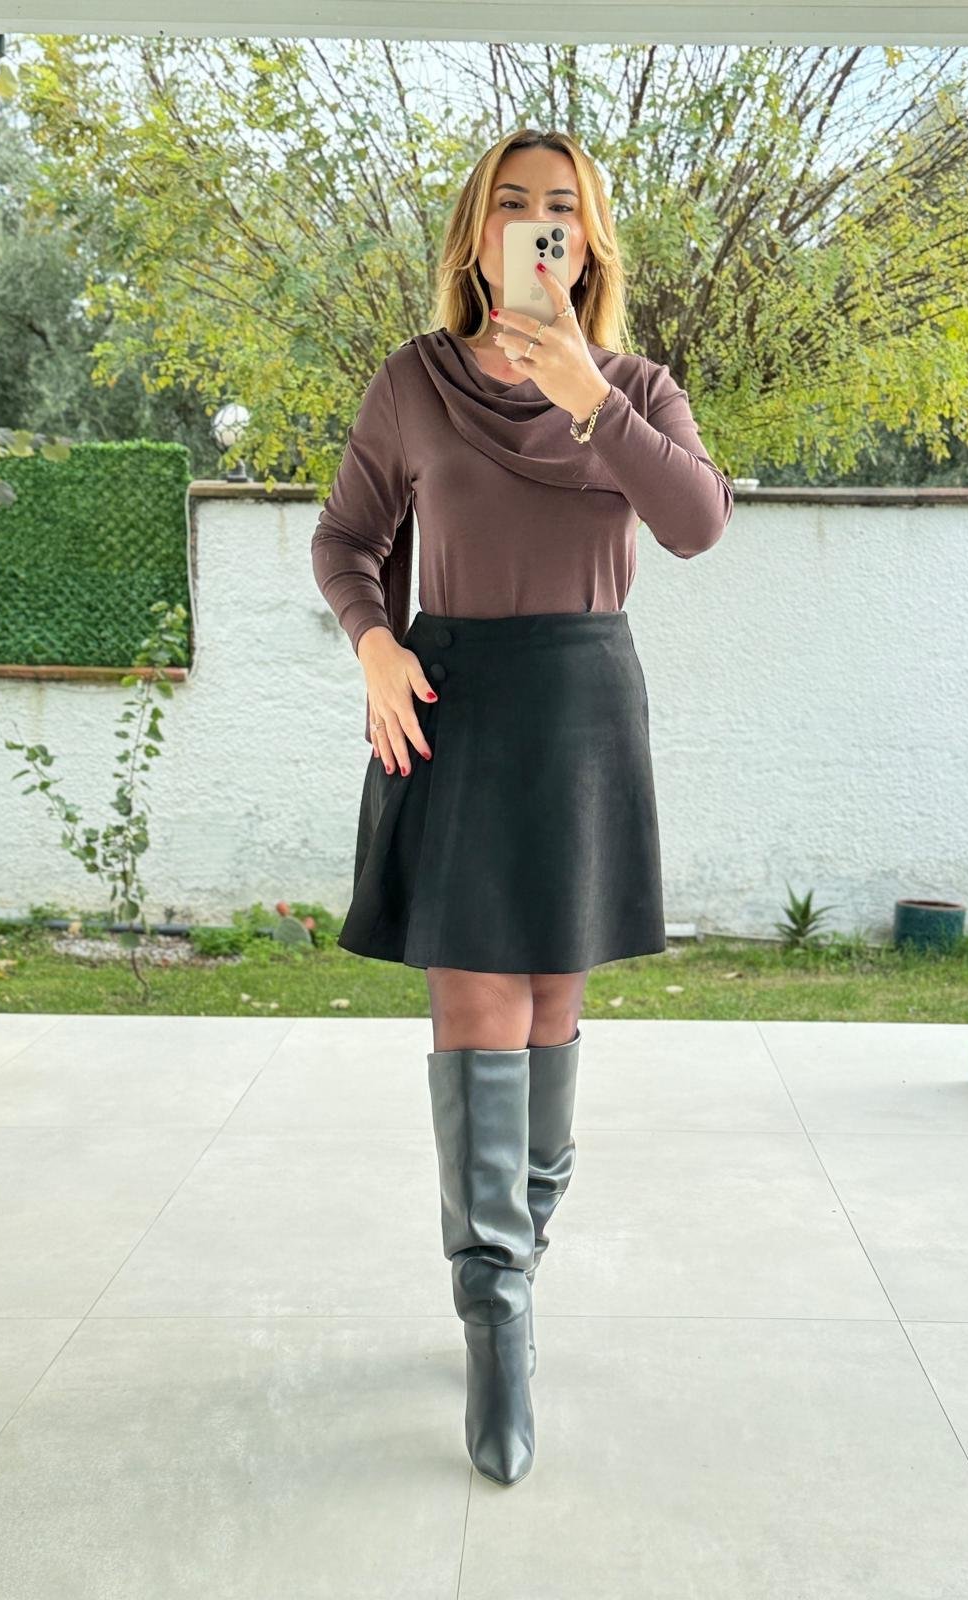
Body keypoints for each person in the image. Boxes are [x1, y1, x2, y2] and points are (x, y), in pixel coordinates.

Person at [310, 128, 732, 1487]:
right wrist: (375, 644)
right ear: (478, 234)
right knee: (479, 1003)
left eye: (563, 208)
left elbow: (696, 523)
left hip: (584, 710)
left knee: (552, 1008)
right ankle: (493, 1316)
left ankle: (522, 1263)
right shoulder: (413, 382)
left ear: (588, 242)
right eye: (513, 205)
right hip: (456, 706)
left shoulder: (638, 389)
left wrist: (589, 393)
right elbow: (346, 539)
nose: (539, 225)